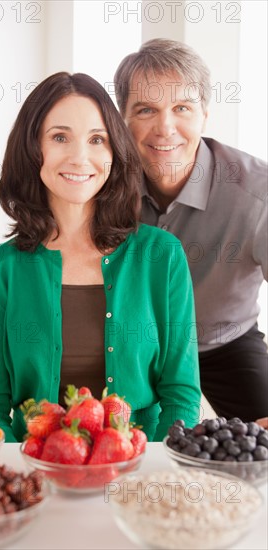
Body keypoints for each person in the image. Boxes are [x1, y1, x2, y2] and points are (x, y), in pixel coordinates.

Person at [0, 72, 201, 443]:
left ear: (113, 153)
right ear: (32, 150)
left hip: (140, 468)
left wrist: (153, 470)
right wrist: (22, 475)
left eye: (97, 139)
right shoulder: (0, 269)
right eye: (60, 137)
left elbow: (181, 393)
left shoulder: (162, 255)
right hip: (34, 470)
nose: (80, 157)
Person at [114, 39, 268, 422]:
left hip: (224, 342)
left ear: (204, 114)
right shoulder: (100, 184)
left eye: (181, 108)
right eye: (146, 110)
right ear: (122, 120)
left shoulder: (259, 193)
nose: (165, 128)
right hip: (134, 344)